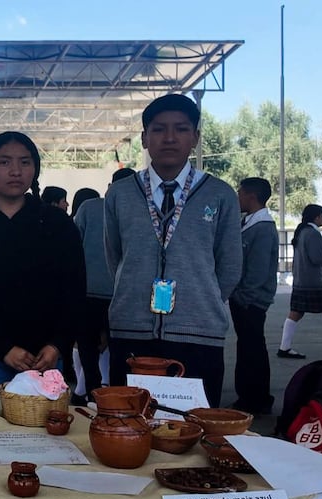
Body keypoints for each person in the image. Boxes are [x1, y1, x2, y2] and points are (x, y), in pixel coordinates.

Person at [104, 94, 242, 407]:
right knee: (128, 421)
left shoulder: (220, 194)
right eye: (158, 129)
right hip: (131, 331)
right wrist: (134, 287)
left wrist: (199, 297)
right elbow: (115, 257)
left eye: (180, 129)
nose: (169, 138)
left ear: (195, 137)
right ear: (144, 138)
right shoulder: (121, 194)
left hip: (198, 333)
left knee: (194, 424)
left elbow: (230, 266)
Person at [0, 131, 85, 384]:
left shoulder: (59, 225)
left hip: (46, 359)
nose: (16, 171)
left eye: (25, 162)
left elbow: (74, 290)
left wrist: (57, 344)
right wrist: (3, 348)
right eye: (4, 162)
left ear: (35, 169)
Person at [71, 168, 135, 403]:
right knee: (120, 350)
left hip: (87, 292)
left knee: (87, 347)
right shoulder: (139, 210)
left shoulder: (89, 207)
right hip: (122, 294)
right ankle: (117, 398)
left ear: (109, 186)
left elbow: (73, 244)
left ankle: (90, 393)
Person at [229, 177, 278, 415]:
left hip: (251, 300)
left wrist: (243, 296)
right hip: (246, 298)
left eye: (240, 193)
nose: (237, 197)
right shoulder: (250, 223)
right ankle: (250, 395)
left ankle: (255, 398)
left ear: (251, 196)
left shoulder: (262, 227)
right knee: (249, 346)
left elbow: (258, 270)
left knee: (252, 348)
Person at [277, 204, 322, 359]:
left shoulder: (302, 232)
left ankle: (284, 347)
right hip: (314, 283)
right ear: (316, 217)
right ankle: (284, 348)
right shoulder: (313, 234)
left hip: (301, 281)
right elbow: (318, 258)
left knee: (295, 313)